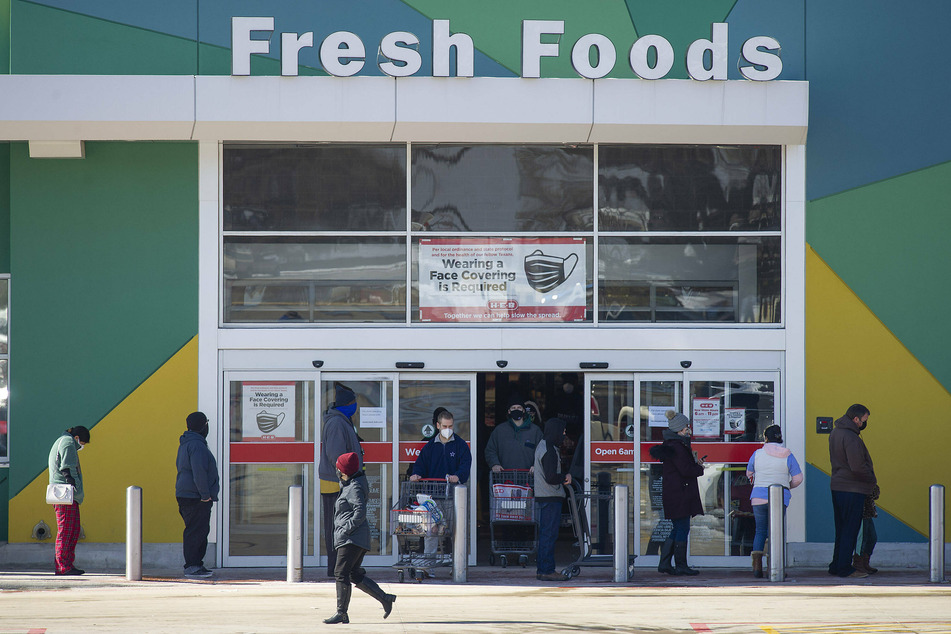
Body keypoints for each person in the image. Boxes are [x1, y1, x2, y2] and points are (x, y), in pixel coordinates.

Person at [324, 452, 396, 625]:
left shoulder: (354, 487)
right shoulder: (350, 484)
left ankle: (342, 613)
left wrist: (345, 530)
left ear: (344, 470)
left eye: (338, 467)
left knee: (340, 573)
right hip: (355, 538)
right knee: (353, 574)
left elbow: (360, 513)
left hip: (352, 539)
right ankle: (385, 598)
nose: (336, 470)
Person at [649, 410, 704, 576]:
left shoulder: (673, 445)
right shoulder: (678, 447)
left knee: (676, 528)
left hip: (675, 494)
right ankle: (680, 565)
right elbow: (686, 470)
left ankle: (665, 563)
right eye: (686, 426)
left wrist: (694, 464)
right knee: (682, 528)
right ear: (680, 429)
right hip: (680, 495)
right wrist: (699, 468)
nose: (689, 429)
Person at [319, 382, 364, 577]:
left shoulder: (343, 420)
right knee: (336, 527)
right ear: (347, 404)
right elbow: (336, 454)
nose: (355, 406)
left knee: (342, 525)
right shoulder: (337, 422)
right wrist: (346, 478)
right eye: (354, 403)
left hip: (340, 482)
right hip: (335, 484)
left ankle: (342, 566)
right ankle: (335, 568)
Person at [746, 424, 803, 578]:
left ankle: (757, 567)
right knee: (775, 533)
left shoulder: (757, 454)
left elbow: (749, 472)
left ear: (765, 437)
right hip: (780, 497)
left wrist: (757, 482)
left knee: (760, 530)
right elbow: (798, 478)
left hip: (758, 496)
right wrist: (786, 487)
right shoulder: (788, 455)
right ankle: (774, 566)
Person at [828, 403, 876, 578]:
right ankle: (844, 568)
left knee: (841, 529)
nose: (864, 423)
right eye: (864, 420)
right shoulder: (851, 437)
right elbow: (857, 466)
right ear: (856, 419)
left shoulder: (835, 433)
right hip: (852, 488)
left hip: (838, 486)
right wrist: (872, 480)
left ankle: (836, 564)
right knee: (851, 529)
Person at [175, 411, 220, 579]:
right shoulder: (197, 445)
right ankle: (192, 566)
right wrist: (205, 495)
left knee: (196, 530)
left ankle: (196, 565)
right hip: (196, 496)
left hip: (187, 494)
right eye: (206, 423)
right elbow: (199, 472)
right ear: (202, 426)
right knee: (196, 531)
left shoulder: (187, 443)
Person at [48, 425, 91, 576]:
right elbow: (67, 468)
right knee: (67, 530)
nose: (82, 447)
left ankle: (67, 564)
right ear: (78, 438)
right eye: (83, 443)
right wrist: (75, 485)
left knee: (73, 529)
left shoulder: (63, 441)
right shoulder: (67, 443)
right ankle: (62, 566)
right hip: (65, 494)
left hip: (66, 494)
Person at [533, 417, 571, 582]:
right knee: (549, 535)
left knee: (545, 534)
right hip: (550, 497)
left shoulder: (544, 445)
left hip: (544, 496)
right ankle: (547, 570)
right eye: (563, 431)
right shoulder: (549, 449)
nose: (564, 435)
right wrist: (565, 477)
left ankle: (543, 569)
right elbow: (551, 477)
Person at [409, 409, 471, 484]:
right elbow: (420, 465)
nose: (448, 429)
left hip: (453, 490)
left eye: (450, 426)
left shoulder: (461, 445)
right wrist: (416, 475)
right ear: (438, 425)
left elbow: (465, 465)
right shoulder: (429, 446)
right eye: (445, 426)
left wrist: (458, 476)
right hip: (433, 490)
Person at [485, 397, 543, 472]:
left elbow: (543, 451)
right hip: (505, 479)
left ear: (523, 410)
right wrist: (494, 464)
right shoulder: (499, 431)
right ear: (509, 411)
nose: (516, 409)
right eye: (513, 408)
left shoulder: (535, 431)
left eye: (519, 407)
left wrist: (536, 465)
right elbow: (490, 450)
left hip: (528, 479)